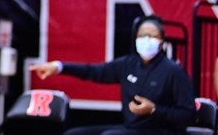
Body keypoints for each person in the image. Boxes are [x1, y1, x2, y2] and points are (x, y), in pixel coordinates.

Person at [31, 15, 196, 134]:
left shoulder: (173, 71)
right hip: (131, 129)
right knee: (74, 133)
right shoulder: (128, 64)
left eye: (152, 36)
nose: (146, 40)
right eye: (142, 35)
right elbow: (93, 71)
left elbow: (188, 116)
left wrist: (154, 110)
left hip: (162, 131)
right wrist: (59, 66)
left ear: (162, 41)